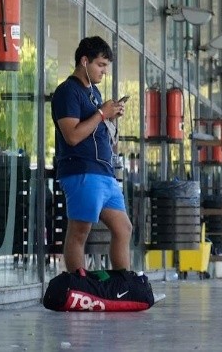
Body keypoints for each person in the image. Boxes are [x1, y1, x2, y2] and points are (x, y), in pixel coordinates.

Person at [51, 36, 130, 272]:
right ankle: (78, 285)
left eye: (106, 66)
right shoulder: (67, 92)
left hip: (104, 173)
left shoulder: (93, 92)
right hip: (82, 171)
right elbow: (72, 136)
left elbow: (96, 124)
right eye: (100, 65)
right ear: (84, 61)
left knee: (124, 229)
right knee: (79, 231)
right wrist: (101, 114)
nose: (104, 71)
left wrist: (109, 116)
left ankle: (122, 284)